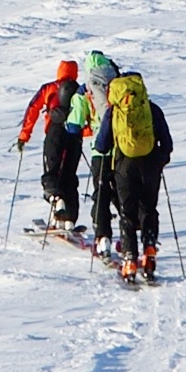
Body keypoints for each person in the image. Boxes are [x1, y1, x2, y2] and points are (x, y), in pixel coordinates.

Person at [93, 71, 172, 281]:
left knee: (127, 213)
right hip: (150, 166)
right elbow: (167, 143)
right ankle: (149, 252)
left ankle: (129, 260)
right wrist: (159, 161)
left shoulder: (114, 111)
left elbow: (101, 145)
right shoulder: (152, 109)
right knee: (148, 209)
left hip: (124, 167)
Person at [17, 60, 83, 229]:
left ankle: (56, 200)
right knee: (69, 174)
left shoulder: (49, 88)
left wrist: (24, 136)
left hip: (54, 133)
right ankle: (69, 219)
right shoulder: (80, 91)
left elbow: (33, 108)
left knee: (52, 170)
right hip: (75, 136)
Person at [68, 51, 120, 257]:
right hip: (124, 148)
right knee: (122, 191)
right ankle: (130, 239)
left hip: (100, 148)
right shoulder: (119, 83)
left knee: (102, 191)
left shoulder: (86, 90)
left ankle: (102, 238)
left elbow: (73, 126)